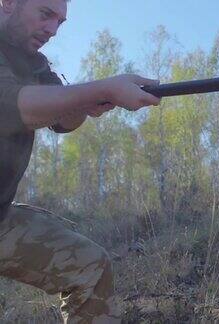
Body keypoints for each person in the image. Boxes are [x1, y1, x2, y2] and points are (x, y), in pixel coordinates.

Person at [0, 0, 161, 322]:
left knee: (89, 266)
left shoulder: (35, 64)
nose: (52, 30)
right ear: (8, 3)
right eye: (46, 15)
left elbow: (64, 123)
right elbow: (15, 108)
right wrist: (98, 89)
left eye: (60, 22)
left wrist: (91, 101)